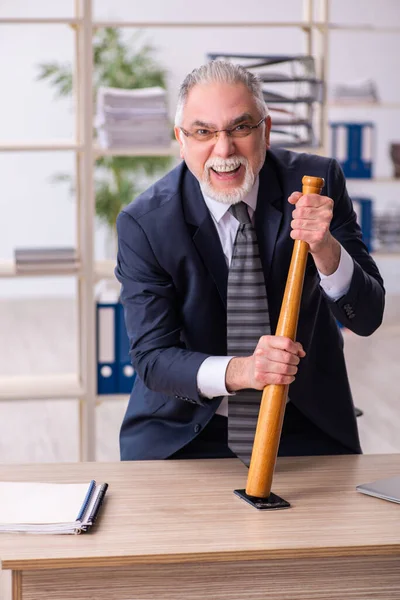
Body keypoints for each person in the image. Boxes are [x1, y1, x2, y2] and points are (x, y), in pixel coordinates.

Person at [115, 61, 384, 463]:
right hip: (183, 431)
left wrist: (325, 248)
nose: (223, 150)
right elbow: (153, 359)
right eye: (203, 132)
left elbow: (367, 316)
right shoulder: (146, 223)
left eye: (240, 128)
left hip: (305, 421)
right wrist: (246, 371)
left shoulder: (317, 182)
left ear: (266, 130)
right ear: (181, 139)